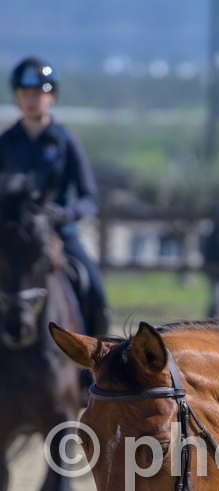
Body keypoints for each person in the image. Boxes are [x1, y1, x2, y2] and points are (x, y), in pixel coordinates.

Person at [0, 56, 110, 336]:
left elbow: (89, 198)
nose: (31, 100)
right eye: (25, 93)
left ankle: (97, 353)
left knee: (95, 288)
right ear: (17, 97)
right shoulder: (6, 142)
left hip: (59, 234)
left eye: (38, 93)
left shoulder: (65, 141)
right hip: (12, 237)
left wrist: (66, 214)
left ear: (52, 97)